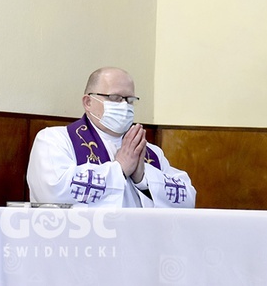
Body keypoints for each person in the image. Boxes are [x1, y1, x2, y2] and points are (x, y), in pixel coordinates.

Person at [27, 67, 197, 208]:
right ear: (88, 102)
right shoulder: (54, 140)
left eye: (129, 100)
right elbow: (52, 191)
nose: (124, 106)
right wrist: (120, 169)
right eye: (115, 98)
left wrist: (143, 178)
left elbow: (187, 198)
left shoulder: (148, 151)